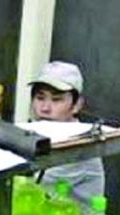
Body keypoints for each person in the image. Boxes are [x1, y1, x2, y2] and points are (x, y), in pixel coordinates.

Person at [29, 60, 106, 206]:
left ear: (77, 105)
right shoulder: (38, 132)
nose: (45, 108)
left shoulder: (79, 144)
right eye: (40, 98)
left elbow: (28, 184)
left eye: (56, 99)